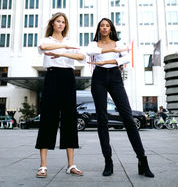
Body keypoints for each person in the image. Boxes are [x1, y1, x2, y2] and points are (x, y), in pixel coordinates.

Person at [86, 18, 154, 178]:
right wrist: (110, 52)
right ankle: (108, 161)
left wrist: (112, 59)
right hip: (99, 77)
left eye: (107, 25)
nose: (104, 28)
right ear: (99, 29)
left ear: (111, 28)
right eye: (102, 25)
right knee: (102, 120)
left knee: (128, 118)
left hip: (115, 76)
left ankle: (142, 160)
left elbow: (127, 57)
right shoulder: (93, 43)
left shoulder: (118, 42)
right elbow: (89, 52)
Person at [35, 12, 84, 178]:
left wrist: (63, 52)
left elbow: (81, 56)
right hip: (52, 76)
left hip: (68, 77)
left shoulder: (71, 41)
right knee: (48, 118)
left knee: (69, 119)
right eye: (58, 21)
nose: (61, 24)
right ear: (53, 23)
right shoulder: (46, 39)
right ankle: (43, 166)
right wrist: (65, 48)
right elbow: (44, 48)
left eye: (63, 22)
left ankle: (71, 165)